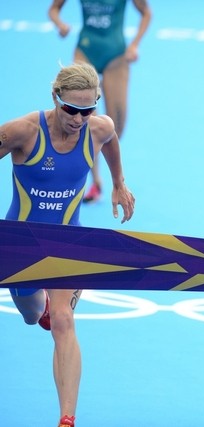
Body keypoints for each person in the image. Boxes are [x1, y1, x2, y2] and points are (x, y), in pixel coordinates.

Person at [0, 61, 135, 427]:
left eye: (87, 110)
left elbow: (111, 140)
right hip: (21, 245)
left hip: (68, 242)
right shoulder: (22, 131)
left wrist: (118, 183)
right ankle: (40, 307)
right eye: (71, 109)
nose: (79, 119)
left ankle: (67, 419)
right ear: (55, 97)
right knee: (33, 316)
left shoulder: (98, 128)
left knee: (63, 320)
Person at [48, 0, 152, 202]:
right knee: (82, 122)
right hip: (85, 51)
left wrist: (135, 44)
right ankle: (95, 182)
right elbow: (53, 9)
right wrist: (59, 24)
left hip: (117, 56)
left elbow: (146, 12)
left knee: (116, 128)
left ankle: (107, 177)